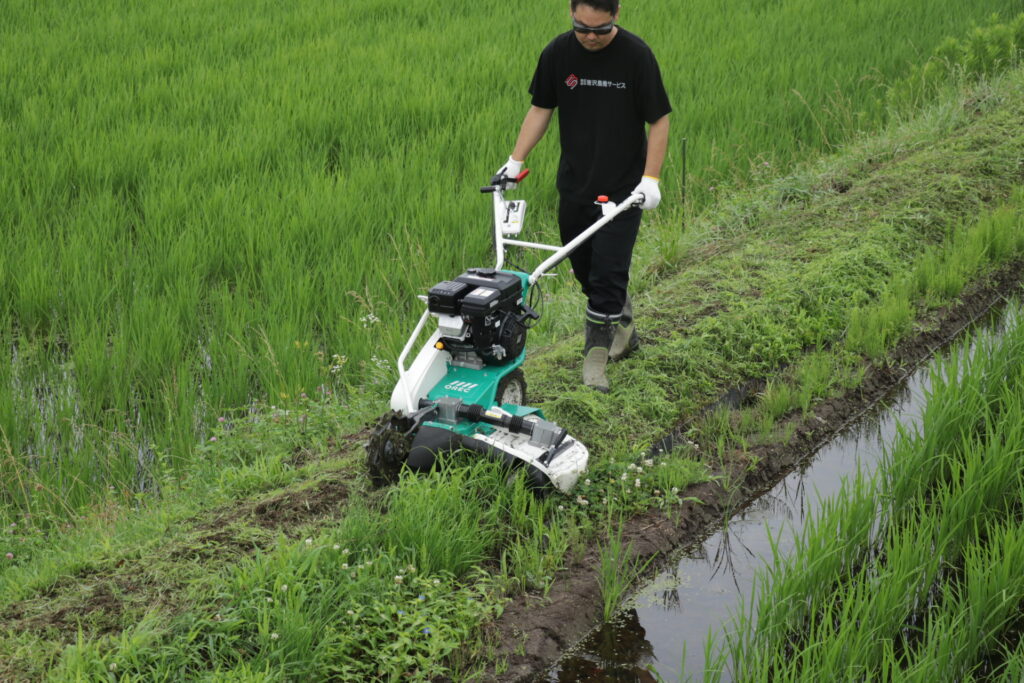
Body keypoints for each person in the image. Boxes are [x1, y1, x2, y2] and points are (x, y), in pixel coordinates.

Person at [496, 0, 671, 392]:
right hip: (575, 185)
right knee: (586, 271)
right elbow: (541, 108)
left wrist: (651, 179)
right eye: (582, 28)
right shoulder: (558, 53)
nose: (591, 37)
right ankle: (623, 323)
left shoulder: (636, 56)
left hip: (625, 190)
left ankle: (595, 362)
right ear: (571, 14)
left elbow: (659, 118)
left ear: (617, 16)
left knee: (609, 273)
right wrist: (514, 160)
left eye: (601, 29)